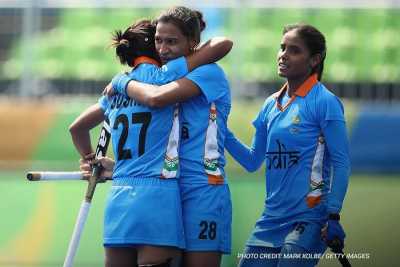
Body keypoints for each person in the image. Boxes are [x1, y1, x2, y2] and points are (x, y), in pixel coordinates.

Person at [69, 18, 232, 267]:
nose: (164, 48)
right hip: (159, 195)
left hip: (120, 197)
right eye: (158, 41)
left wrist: (90, 160)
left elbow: (77, 127)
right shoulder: (166, 75)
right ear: (152, 47)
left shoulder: (119, 87)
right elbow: (220, 45)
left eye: (169, 41)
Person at [224, 23, 351, 267]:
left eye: (294, 50)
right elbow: (252, 161)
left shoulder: (325, 102)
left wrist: (333, 214)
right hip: (270, 220)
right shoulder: (270, 104)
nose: (283, 54)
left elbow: (341, 163)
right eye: (282, 48)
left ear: (314, 60)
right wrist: (223, 131)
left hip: (310, 218)